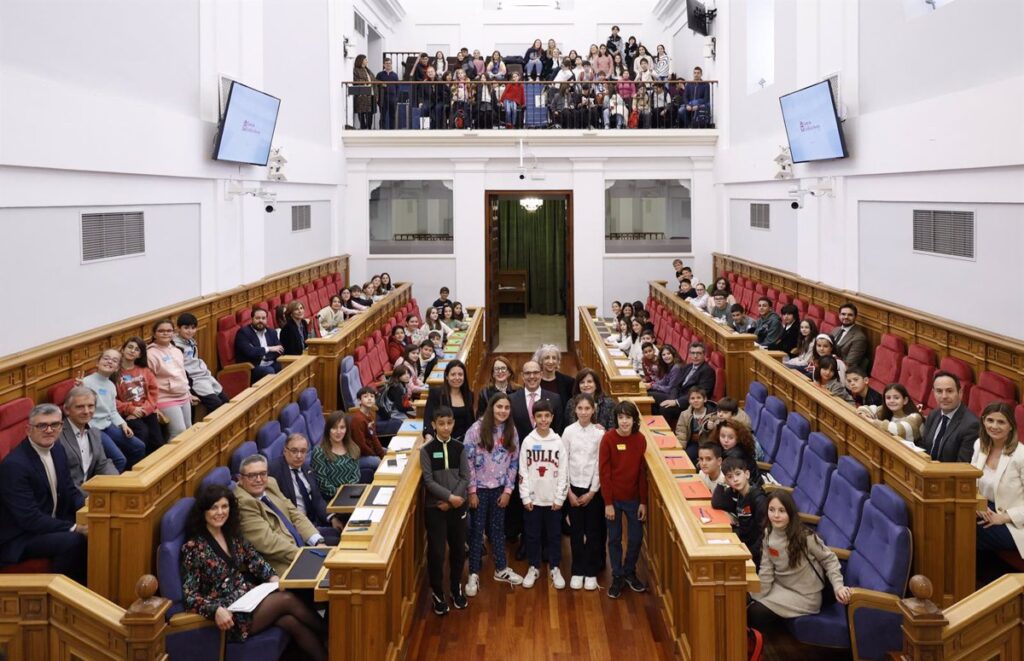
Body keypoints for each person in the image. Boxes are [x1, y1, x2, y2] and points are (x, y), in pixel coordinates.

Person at [180, 484, 326, 659]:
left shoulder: (232, 535)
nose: (220, 512)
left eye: (224, 506)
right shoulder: (193, 548)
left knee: (290, 621)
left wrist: (272, 576)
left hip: (249, 599)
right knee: (286, 599)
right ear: (203, 511)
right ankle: (330, 634)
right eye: (214, 508)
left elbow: (255, 560)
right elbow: (190, 596)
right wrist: (215, 610)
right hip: (228, 616)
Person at [0, 404, 88, 582]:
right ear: (28, 430)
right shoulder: (14, 466)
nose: (49, 430)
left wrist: (89, 508)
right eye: (42, 426)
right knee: (74, 541)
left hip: (50, 521)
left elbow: (69, 490)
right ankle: (64, 596)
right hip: (21, 536)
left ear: (61, 427)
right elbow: (29, 518)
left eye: (54, 425)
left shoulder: (57, 449)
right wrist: (75, 527)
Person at [749, 491, 851, 625]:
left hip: (805, 596)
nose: (776, 515)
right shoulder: (769, 533)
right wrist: (756, 594)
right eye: (771, 510)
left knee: (754, 613)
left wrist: (838, 586)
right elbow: (766, 570)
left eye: (782, 511)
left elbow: (829, 559)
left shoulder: (805, 536)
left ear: (790, 513)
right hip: (780, 586)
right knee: (741, 598)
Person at [464, 393, 524, 597]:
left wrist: (508, 490)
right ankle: (473, 572)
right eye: (499, 407)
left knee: (498, 530)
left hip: (500, 489)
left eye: (507, 408)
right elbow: (468, 462)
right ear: (491, 407)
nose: (503, 411)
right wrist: (471, 491)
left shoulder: (511, 431)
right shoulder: (476, 429)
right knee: (477, 531)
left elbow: (514, 462)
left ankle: (501, 568)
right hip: (479, 489)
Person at [233, 454, 326, 575]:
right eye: (252, 475)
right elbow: (268, 542)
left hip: (300, 545)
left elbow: (294, 513)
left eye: (262, 474)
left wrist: (317, 541)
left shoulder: (270, 484)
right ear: (240, 479)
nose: (259, 479)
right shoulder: (243, 502)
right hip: (283, 561)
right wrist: (305, 556)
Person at [421, 406, 470, 614]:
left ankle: (455, 586)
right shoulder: (426, 450)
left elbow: (465, 477)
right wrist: (449, 497)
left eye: (449, 423)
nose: (445, 427)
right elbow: (429, 480)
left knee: (459, 549)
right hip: (435, 509)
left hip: (458, 506)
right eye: (441, 424)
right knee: (437, 552)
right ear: (433, 425)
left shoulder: (460, 447)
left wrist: (452, 501)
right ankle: (438, 591)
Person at [519, 400, 568, 590]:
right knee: (532, 535)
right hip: (533, 499)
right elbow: (522, 471)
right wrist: (525, 497)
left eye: (547, 416)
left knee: (555, 535)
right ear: (534, 417)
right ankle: (534, 566)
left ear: (552, 417)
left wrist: (559, 498)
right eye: (539, 416)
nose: (543, 419)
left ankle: (555, 567)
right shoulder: (528, 442)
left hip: (553, 500)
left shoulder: (558, 442)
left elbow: (564, 472)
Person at [600, 401, 648, 599]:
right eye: (621, 417)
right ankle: (617, 575)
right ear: (616, 419)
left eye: (628, 417)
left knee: (636, 539)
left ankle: (629, 571)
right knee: (614, 539)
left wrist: (643, 501)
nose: (624, 421)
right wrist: (608, 503)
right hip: (614, 500)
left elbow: (641, 473)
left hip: (634, 499)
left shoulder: (640, 440)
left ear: (634, 419)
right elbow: (604, 473)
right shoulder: (608, 439)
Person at [562, 393, 605, 591]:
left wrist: (593, 491)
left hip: (591, 489)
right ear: (575, 410)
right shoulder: (568, 432)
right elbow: (563, 462)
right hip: (573, 488)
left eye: (587, 408)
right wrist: (568, 492)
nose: (584, 412)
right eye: (580, 408)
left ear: (593, 409)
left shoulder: (599, 434)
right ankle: (577, 570)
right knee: (577, 533)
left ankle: (591, 571)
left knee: (593, 532)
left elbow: (599, 464)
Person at [970, 402, 1024, 561]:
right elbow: (970, 479)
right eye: (990, 420)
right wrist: (977, 503)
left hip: (1015, 522)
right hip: (985, 509)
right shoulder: (979, 444)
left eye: (1001, 422)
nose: (994, 426)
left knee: (965, 530)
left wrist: (1004, 517)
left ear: (1011, 426)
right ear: (983, 421)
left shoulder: (1021, 455)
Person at [269, 433, 342, 544]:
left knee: (343, 527)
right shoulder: (274, 470)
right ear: (285, 451)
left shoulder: (307, 467)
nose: (299, 456)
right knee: (337, 540)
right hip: (296, 527)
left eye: (303, 451)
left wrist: (332, 518)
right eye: (294, 451)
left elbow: (317, 499)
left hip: (314, 521)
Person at [82, 348, 141, 469]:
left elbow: (112, 411)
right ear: (98, 362)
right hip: (92, 427)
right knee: (119, 459)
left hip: (107, 424)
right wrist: (79, 390)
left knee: (138, 446)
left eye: (114, 361)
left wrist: (123, 424)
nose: (109, 362)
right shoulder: (85, 382)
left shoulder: (111, 385)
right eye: (106, 358)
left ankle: (130, 479)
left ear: (117, 368)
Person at [59, 386, 118, 496]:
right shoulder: (58, 436)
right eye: (80, 407)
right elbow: (62, 480)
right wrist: (92, 496)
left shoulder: (94, 432)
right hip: (69, 499)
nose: (86, 411)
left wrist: (116, 483)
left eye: (90, 406)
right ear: (67, 410)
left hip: (90, 493)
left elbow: (103, 464)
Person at [712, 457, 768, 566]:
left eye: (738, 474)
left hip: (753, 549)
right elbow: (717, 503)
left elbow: (764, 534)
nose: (735, 480)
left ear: (746, 474)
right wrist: (721, 483)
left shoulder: (758, 499)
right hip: (741, 539)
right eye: (730, 477)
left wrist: (750, 554)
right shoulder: (736, 492)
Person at [115, 337, 166, 455]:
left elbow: (153, 394)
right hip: (127, 413)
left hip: (146, 410)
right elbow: (112, 399)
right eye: (130, 347)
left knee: (158, 442)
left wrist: (143, 410)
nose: (132, 351)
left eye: (137, 349)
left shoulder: (145, 371)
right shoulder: (114, 373)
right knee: (142, 434)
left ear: (140, 354)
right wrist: (130, 409)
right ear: (122, 349)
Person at [174, 313, 230, 411]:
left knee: (225, 400)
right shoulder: (175, 346)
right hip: (193, 380)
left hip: (204, 376)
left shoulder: (191, 342)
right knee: (216, 405)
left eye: (193, 328)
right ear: (178, 328)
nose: (190, 331)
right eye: (186, 328)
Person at [148, 319, 194, 440]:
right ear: (154, 334)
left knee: (189, 428)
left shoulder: (177, 350)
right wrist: (153, 406)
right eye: (161, 331)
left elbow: (182, 374)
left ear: (173, 333)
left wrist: (188, 393)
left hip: (183, 395)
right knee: (178, 431)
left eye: (169, 331)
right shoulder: (150, 354)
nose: (165, 333)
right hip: (165, 398)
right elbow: (148, 383)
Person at [920, 371, 980, 463]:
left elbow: (962, 466)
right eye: (939, 391)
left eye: (949, 391)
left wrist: (935, 468)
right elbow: (924, 446)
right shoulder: (934, 414)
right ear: (933, 393)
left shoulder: (972, 425)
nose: (944, 396)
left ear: (960, 393)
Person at [658, 343, 716, 429]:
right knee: (652, 396)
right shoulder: (688, 366)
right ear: (689, 354)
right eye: (693, 353)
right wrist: (672, 399)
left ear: (704, 355)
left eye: (698, 353)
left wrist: (676, 402)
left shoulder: (707, 371)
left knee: (665, 409)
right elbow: (676, 385)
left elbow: (702, 393)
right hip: (677, 397)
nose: (695, 356)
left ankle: (665, 433)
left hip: (689, 403)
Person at [510, 360, 565, 441]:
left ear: (541, 374)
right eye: (528, 373)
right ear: (522, 376)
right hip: (521, 451)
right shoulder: (512, 399)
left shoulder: (555, 399)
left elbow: (559, 429)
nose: (532, 376)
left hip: (547, 450)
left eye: (535, 372)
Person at [310, 411, 362, 497]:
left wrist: (346, 491)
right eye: (334, 428)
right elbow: (322, 482)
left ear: (346, 429)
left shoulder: (353, 448)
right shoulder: (319, 452)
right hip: (329, 497)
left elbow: (356, 476)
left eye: (342, 427)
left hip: (350, 493)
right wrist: (338, 493)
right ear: (328, 430)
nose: (338, 431)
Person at [423, 360, 474, 443]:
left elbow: (471, 421)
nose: (457, 378)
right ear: (447, 376)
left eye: (460, 374)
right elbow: (428, 418)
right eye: (453, 374)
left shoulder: (469, 395)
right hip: (442, 441)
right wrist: (428, 437)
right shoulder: (436, 393)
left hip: (464, 442)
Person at [857, 383, 923, 443]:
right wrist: (864, 414)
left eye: (896, 398)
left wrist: (871, 421)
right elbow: (863, 409)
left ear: (905, 400)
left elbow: (899, 430)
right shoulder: (885, 410)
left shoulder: (915, 416)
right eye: (888, 398)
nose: (891, 401)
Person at [235, 307, 284, 381]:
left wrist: (262, 353)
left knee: (285, 365)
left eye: (263, 318)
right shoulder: (243, 333)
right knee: (269, 370)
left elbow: (280, 349)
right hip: (252, 367)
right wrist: (269, 349)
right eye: (257, 318)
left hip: (269, 362)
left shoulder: (271, 332)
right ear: (252, 319)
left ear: (266, 320)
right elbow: (250, 352)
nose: (260, 320)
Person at [674, 386, 717, 463]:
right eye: (692, 398)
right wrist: (680, 449)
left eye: (699, 398)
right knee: (686, 457)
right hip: (693, 443)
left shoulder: (713, 415)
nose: (695, 400)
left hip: (707, 444)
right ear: (689, 401)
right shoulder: (684, 414)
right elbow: (681, 432)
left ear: (705, 399)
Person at [349, 386, 387, 471]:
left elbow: (374, 437)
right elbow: (360, 445)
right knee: (378, 461)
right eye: (365, 397)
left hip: (369, 450)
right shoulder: (358, 420)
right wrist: (375, 454)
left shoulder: (369, 415)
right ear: (359, 401)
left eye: (372, 396)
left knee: (388, 451)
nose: (369, 399)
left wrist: (381, 453)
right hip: (360, 456)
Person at [715, 419, 762, 485]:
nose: (725, 440)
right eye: (722, 436)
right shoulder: (724, 448)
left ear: (738, 439)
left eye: (730, 437)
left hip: (750, 487)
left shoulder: (736, 456)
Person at [830, 303, 871, 372]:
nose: (846, 317)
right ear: (839, 315)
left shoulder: (859, 338)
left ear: (855, 317)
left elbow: (849, 364)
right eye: (843, 314)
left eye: (850, 315)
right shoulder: (835, 329)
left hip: (840, 371)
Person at [352, 54, 376, 130]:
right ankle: (363, 127)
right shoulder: (356, 70)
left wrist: (381, 82)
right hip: (362, 95)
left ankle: (369, 128)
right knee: (362, 112)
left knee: (370, 113)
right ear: (361, 61)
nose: (367, 61)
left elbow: (373, 79)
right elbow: (355, 80)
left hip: (371, 94)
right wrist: (365, 82)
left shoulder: (368, 70)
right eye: (365, 60)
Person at [376, 57, 399, 130]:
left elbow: (397, 87)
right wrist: (381, 84)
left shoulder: (395, 75)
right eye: (386, 63)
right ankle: (382, 130)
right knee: (382, 115)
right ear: (384, 65)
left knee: (392, 116)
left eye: (389, 63)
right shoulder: (380, 74)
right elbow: (376, 85)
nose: (388, 65)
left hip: (392, 99)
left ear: (391, 64)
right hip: (383, 98)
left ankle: (392, 130)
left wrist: (396, 98)